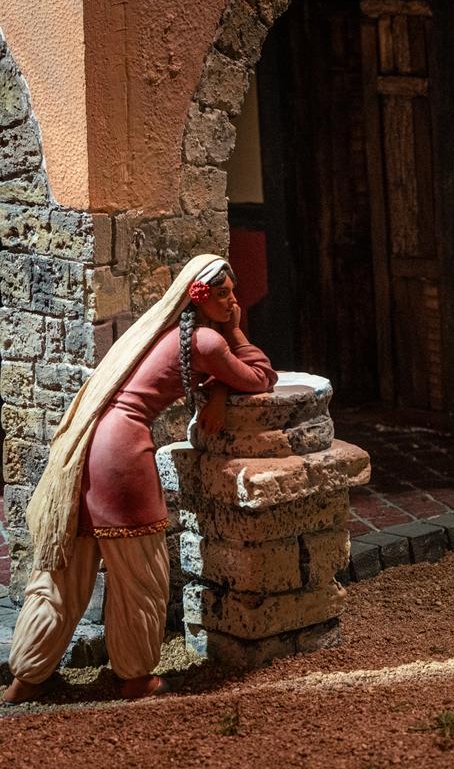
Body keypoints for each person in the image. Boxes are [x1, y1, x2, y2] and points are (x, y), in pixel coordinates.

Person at [3, 254, 277, 704]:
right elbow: (260, 377)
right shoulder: (208, 340)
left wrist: (220, 391)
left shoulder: (167, 333)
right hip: (123, 454)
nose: (233, 300)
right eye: (224, 293)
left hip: (90, 445)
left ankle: (27, 677)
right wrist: (236, 332)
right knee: (140, 569)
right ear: (200, 296)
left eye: (233, 292)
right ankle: (133, 677)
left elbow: (224, 378)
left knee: (66, 569)